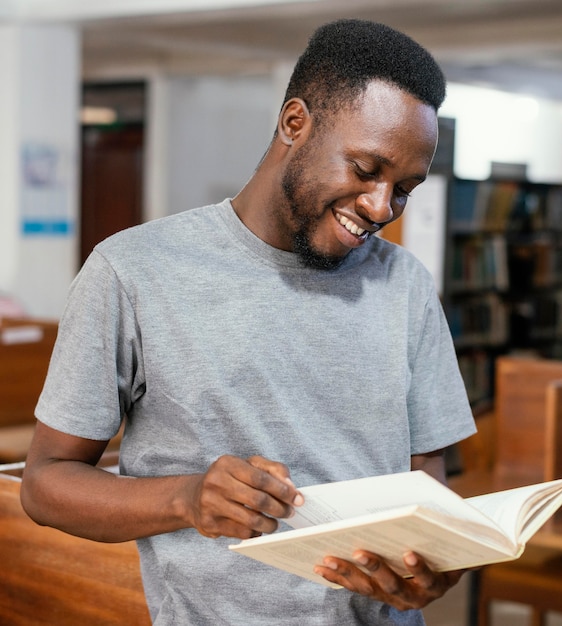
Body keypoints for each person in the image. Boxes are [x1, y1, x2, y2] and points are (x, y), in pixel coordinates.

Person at [21, 18, 476, 626]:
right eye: (366, 169)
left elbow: (430, 485)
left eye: (405, 189)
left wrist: (433, 567)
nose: (380, 207)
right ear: (295, 123)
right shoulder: (132, 272)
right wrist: (186, 498)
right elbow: (46, 483)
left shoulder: (407, 286)